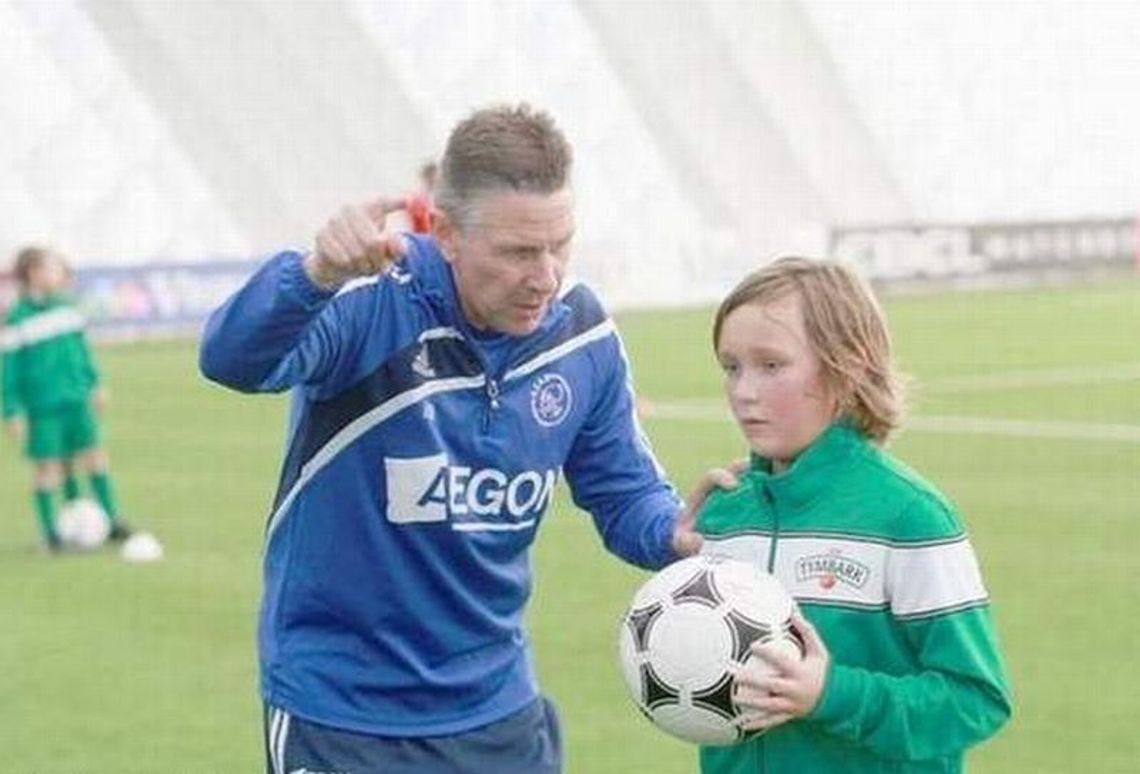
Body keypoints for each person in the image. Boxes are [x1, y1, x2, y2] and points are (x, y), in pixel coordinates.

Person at [199, 103, 721, 774]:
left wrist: (672, 536)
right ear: (445, 232)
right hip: (344, 716)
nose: (546, 275)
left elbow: (624, 494)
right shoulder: (369, 302)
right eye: (517, 252)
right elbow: (231, 360)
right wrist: (313, 276)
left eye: (559, 244)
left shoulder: (581, 336)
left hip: (497, 712)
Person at [696, 257, 1012, 773]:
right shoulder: (728, 515)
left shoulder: (910, 518)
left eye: (771, 365)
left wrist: (830, 693)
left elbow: (976, 699)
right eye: (731, 366)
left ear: (847, 364)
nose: (743, 390)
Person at [1, 246, 131, 552]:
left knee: (93, 456)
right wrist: (11, 410)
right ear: (33, 274)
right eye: (51, 269)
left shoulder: (68, 308)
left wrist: (95, 383)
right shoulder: (17, 318)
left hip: (76, 400)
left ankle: (113, 520)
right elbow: (9, 372)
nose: (58, 274)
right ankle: (51, 535)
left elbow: (82, 351)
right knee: (48, 468)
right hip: (42, 407)